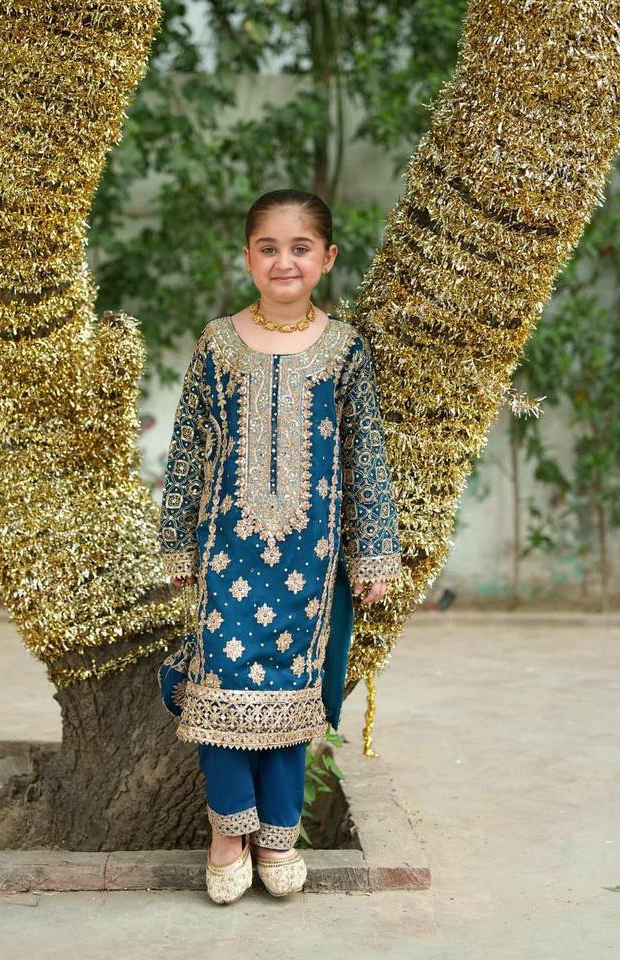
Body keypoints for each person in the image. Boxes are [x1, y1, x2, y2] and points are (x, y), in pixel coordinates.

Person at [158, 188, 402, 903]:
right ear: (247, 258)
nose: (284, 262)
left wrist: (374, 551)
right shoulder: (218, 343)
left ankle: (278, 835)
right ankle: (228, 834)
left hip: (310, 558)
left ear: (327, 259)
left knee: (293, 691)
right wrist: (176, 542)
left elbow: (365, 454)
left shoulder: (345, 349)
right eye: (268, 248)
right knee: (221, 684)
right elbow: (188, 447)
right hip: (226, 550)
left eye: (300, 248)